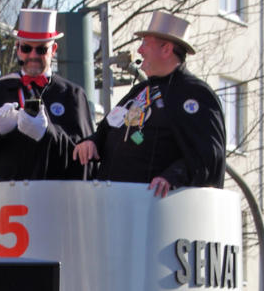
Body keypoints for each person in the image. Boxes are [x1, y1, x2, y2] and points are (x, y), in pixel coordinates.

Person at [73, 11, 225, 197]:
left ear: (166, 49)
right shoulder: (140, 90)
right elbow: (108, 128)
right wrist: (92, 142)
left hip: (157, 206)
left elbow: (208, 157)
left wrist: (172, 177)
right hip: (113, 201)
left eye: (145, 43)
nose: (140, 50)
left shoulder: (195, 94)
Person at [0, 8, 94, 181]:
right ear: (17, 48)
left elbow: (86, 158)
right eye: (26, 48)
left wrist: (48, 133)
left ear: (53, 49)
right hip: (4, 195)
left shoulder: (72, 95)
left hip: (53, 194)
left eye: (41, 50)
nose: (33, 55)